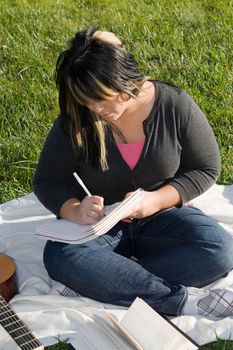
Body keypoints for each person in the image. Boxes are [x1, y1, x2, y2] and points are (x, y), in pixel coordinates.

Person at [34, 27, 233, 319]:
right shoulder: (77, 118)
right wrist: (74, 209)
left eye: (102, 98)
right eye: (86, 102)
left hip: (163, 216)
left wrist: (156, 199)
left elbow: (205, 167)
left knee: (219, 251)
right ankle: (178, 301)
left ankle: (98, 282)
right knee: (60, 256)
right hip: (101, 225)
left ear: (122, 80)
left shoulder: (173, 105)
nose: (95, 109)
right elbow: (47, 180)